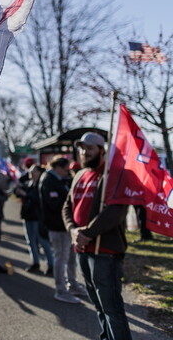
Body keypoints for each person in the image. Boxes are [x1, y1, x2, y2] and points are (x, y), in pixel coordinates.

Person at [63, 132, 132, 340]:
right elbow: (67, 206)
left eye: (90, 148)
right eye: (82, 148)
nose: (84, 152)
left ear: (101, 151)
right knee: (98, 305)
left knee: (112, 307)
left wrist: (88, 233)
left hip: (105, 251)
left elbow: (116, 211)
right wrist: (73, 230)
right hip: (83, 249)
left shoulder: (113, 176)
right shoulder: (79, 175)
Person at [39, 156, 87, 304]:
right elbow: (55, 205)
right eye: (66, 170)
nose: (67, 173)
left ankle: (72, 284)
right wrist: (71, 203)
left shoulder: (58, 180)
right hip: (57, 226)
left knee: (71, 257)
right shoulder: (48, 180)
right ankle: (61, 290)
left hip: (66, 226)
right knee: (61, 258)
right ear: (58, 167)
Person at [19, 165, 54, 276]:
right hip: (27, 216)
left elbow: (38, 199)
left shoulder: (42, 184)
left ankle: (51, 265)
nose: (30, 172)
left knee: (43, 242)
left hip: (37, 217)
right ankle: (35, 262)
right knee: (30, 241)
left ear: (39, 172)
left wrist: (25, 194)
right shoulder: (29, 183)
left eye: (33, 170)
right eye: (30, 171)